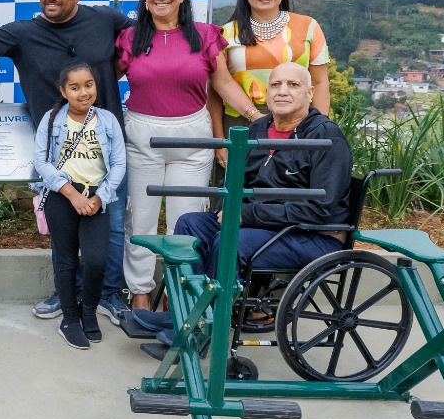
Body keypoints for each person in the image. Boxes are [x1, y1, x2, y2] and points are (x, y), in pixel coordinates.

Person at [0, 0, 131, 325]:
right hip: (58, 149)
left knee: (113, 224)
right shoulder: (26, 31)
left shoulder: (106, 19)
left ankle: (109, 295)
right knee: (62, 226)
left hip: (106, 144)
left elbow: (141, 41)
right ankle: (65, 291)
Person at [134, 62, 352, 359]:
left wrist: (246, 215)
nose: (283, 91)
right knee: (190, 225)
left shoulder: (326, 138)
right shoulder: (259, 129)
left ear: (310, 93)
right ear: (266, 92)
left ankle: (199, 332)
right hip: (265, 227)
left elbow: (321, 209)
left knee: (231, 241)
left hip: (312, 235)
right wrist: (231, 210)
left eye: (293, 85)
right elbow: (236, 180)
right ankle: (186, 315)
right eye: (276, 85)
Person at [117, 0, 261, 309]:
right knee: (142, 219)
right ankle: (139, 292)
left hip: (193, 139)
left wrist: (257, 118)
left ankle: (177, 294)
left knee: (188, 222)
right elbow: (103, 83)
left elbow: (223, 84)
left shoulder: (206, 35)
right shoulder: (129, 37)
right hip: (142, 137)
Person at [32, 62, 126, 350]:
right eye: (75, 87)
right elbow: (41, 162)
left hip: (97, 198)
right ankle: (70, 320)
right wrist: (72, 194)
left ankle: (88, 312)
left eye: (89, 85)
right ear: (64, 91)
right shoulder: (52, 119)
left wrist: (100, 197)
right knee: (66, 259)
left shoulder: (108, 120)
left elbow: (119, 163)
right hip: (63, 197)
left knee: (96, 260)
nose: (83, 92)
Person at [219, 0, 331, 128]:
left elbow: (320, 83)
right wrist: (254, 117)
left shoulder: (309, 26)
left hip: (298, 122)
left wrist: (320, 128)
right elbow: (218, 86)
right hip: (240, 123)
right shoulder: (225, 33)